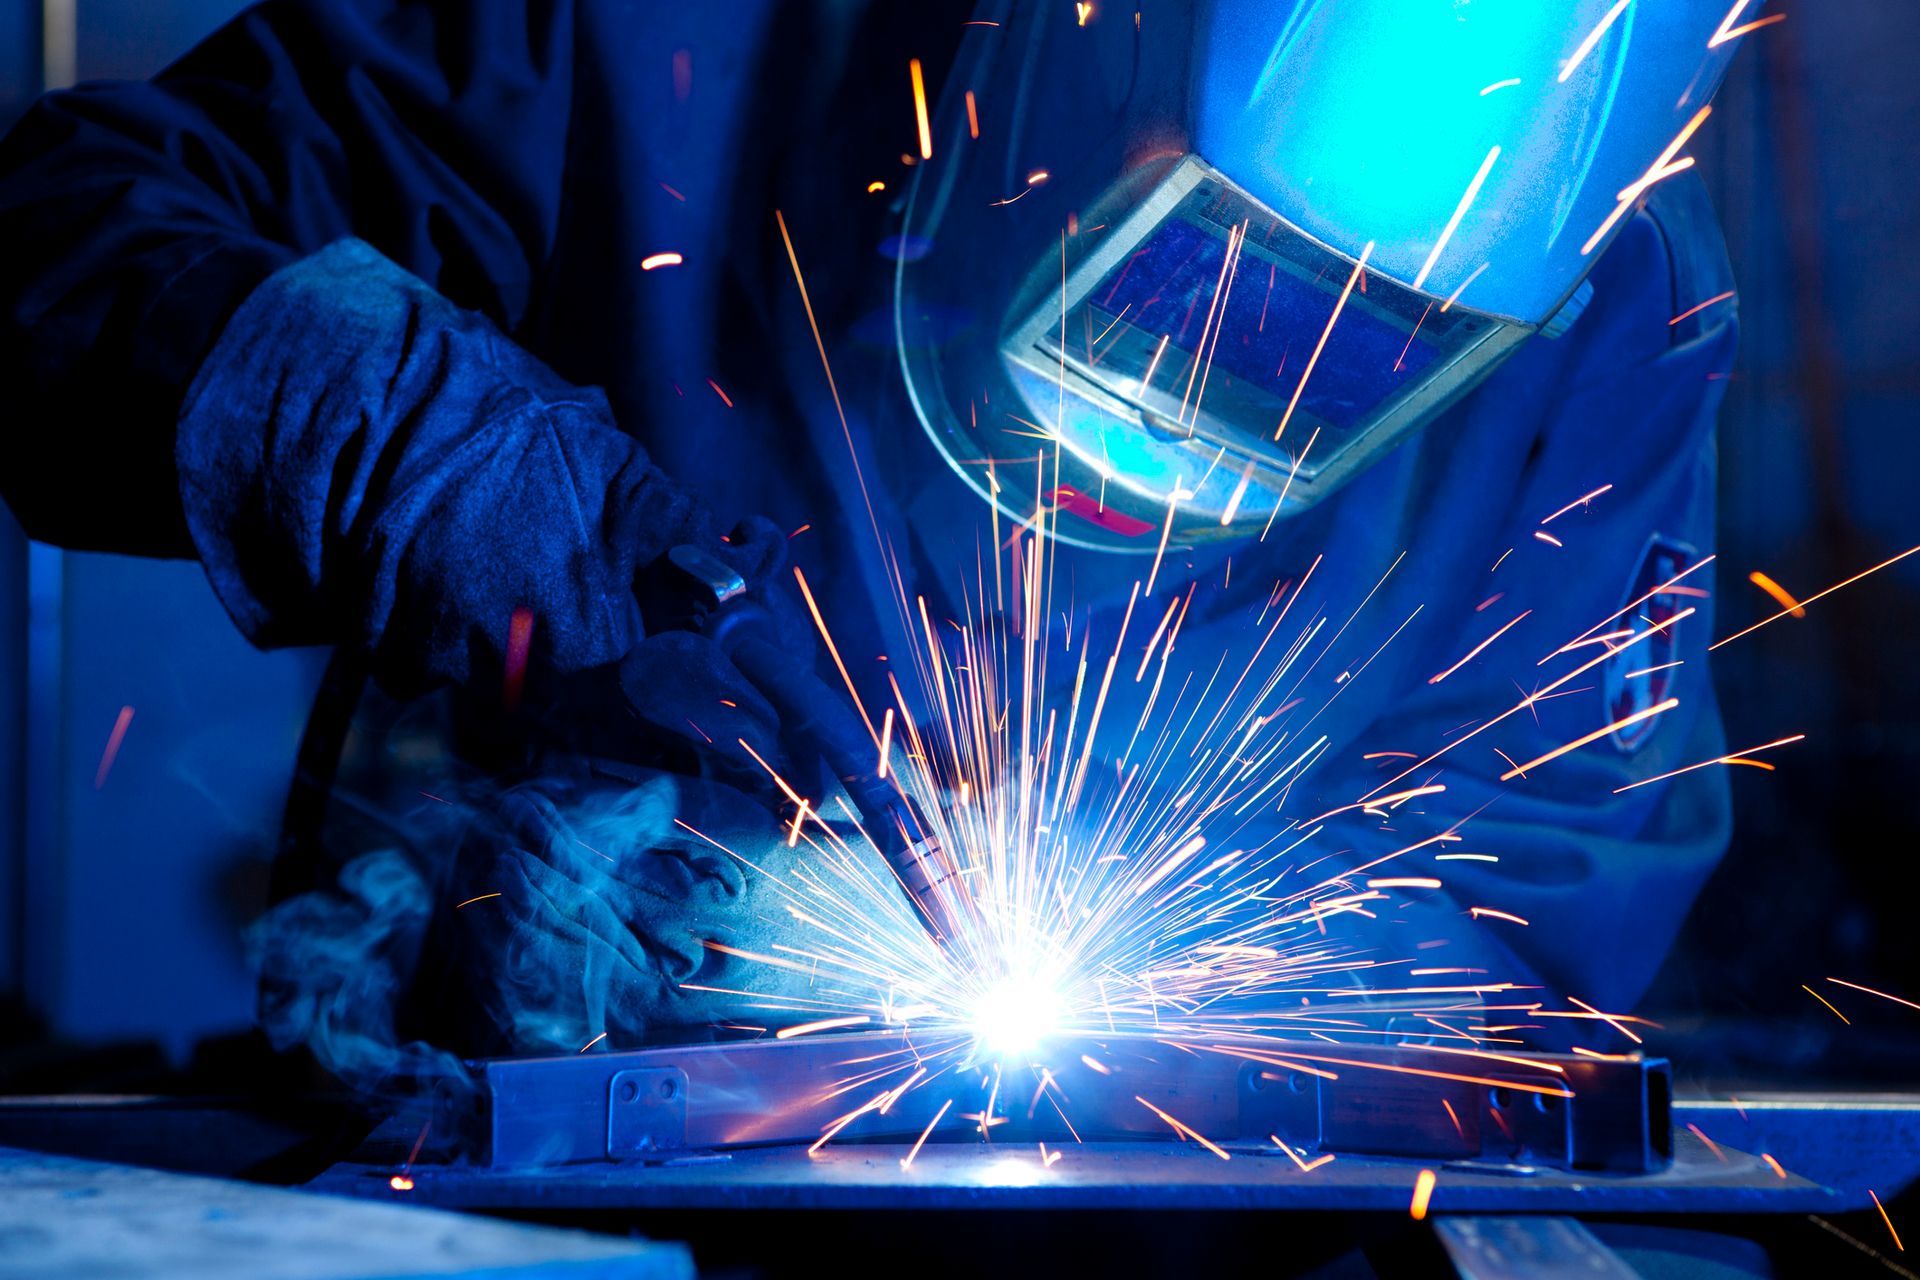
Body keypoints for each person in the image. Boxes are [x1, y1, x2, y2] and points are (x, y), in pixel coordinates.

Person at [0, 0, 1745, 1092]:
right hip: (515, 1179)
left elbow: (1530, 923)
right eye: (1185, 269)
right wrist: (409, 432)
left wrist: (1132, 982)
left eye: (1362, 351)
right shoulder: (661, 39)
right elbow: (53, 239)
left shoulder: (1621, 311)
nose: (1199, 402)